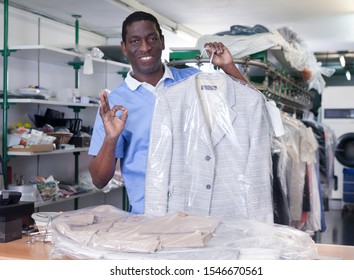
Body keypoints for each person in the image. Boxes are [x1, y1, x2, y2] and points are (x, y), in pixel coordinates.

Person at [88, 11, 248, 214]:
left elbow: (247, 105)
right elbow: (99, 180)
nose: (145, 47)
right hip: (150, 217)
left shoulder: (194, 81)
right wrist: (111, 139)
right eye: (135, 41)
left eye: (152, 38)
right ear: (124, 48)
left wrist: (228, 67)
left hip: (202, 212)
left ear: (162, 42)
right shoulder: (115, 104)